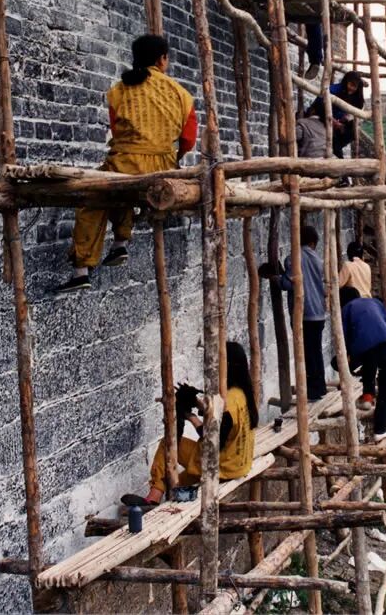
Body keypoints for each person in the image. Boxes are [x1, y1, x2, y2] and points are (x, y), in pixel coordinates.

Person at [56, 34, 197, 294]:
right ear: (162, 59)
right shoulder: (182, 94)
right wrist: (173, 158)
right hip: (163, 168)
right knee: (124, 190)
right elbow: (188, 139)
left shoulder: (118, 91)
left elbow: (116, 130)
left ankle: (81, 271)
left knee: (95, 198)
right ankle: (120, 243)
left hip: (124, 164)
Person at [123, 342, 258, 505]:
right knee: (176, 481)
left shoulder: (228, 403)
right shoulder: (243, 395)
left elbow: (213, 440)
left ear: (226, 367)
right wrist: (196, 401)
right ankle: (156, 501)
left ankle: (153, 497)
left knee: (166, 444)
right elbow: (219, 418)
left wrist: (190, 416)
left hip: (221, 466)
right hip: (238, 464)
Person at [339, 286, 386, 441]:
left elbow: (344, 340)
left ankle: (368, 399)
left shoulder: (345, 310)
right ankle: (381, 426)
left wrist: (347, 364)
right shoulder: (373, 302)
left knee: (369, 367)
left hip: (368, 348)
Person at [278, 224, 328, 401]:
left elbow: (289, 283)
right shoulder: (319, 260)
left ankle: (313, 391)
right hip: (319, 312)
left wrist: (277, 278)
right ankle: (320, 387)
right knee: (316, 351)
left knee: (306, 353)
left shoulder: (293, 258)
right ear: (313, 242)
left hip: (304, 312)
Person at [324, 71, 366, 159]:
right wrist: (335, 122)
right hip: (323, 117)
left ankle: (337, 150)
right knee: (334, 137)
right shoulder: (334, 90)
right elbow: (320, 109)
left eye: (355, 86)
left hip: (337, 121)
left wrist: (345, 119)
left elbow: (354, 110)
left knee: (352, 130)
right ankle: (339, 155)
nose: (352, 88)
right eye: (351, 84)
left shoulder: (353, 95)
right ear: (346, 82)